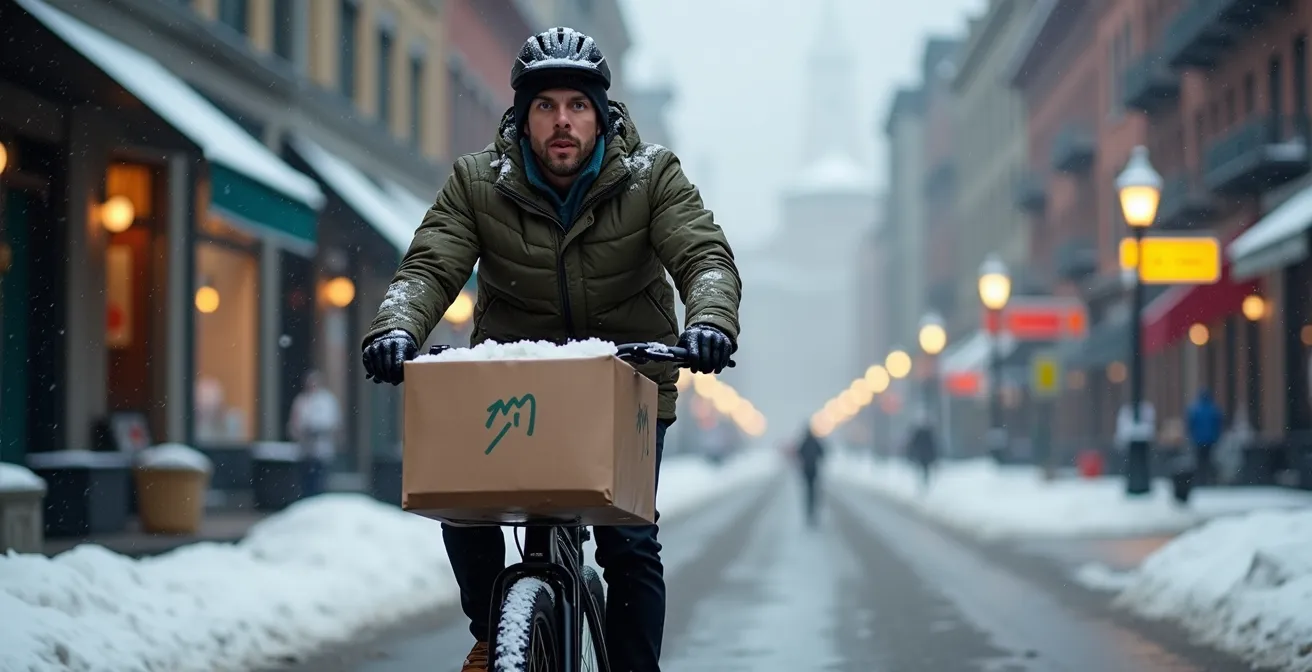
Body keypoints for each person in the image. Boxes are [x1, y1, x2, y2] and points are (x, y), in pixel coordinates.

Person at [359, 27, 742, 672]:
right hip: (517, 381)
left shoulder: (653, 179)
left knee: (629, 546)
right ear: (522, 116)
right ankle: (494, 631)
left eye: (577, 105)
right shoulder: (478, 182)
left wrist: (710, 323)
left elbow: (704, 257)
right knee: (466, 504)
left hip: (626, 387)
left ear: (601, 113)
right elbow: (429, 266)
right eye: (545, 106)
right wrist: (397, 328)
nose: (562, 121)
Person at [287, 370, 341, 497]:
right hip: (305, 451)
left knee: (320, 482)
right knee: (306, 483)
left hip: (322, 450)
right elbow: (294, 424)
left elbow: (333, 422)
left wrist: (319, 430)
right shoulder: (301, 401)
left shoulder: (327, 401)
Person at [1186, 388, 1223, 486]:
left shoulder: (1195, 409)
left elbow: (1190, 424)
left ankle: (1201, 479)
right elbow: (1219, 424)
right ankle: (1210, 479)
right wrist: (1217, 436)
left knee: (1199, 461)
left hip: (1198, 440)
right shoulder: (1214, 409)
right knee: (1209, 460)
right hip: (1210, 440)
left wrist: (1191, 436)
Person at [795, 425, 826, 527]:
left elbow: (798, 453)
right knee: (813, 492)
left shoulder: (804, 442)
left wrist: (803, 461)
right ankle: (812, 511)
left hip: (807, 471)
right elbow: (823, 453)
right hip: (813, 470)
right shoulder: (815, 442)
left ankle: (809, 511)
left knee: (809, 491)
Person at [905, 410, 938, 489]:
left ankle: (924, 483)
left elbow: (932, 444)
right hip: (922, 454)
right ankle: (922, 483)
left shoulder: (926, 432)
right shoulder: (923, 432)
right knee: (922, 469)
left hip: (924, 454)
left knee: (924, 469)